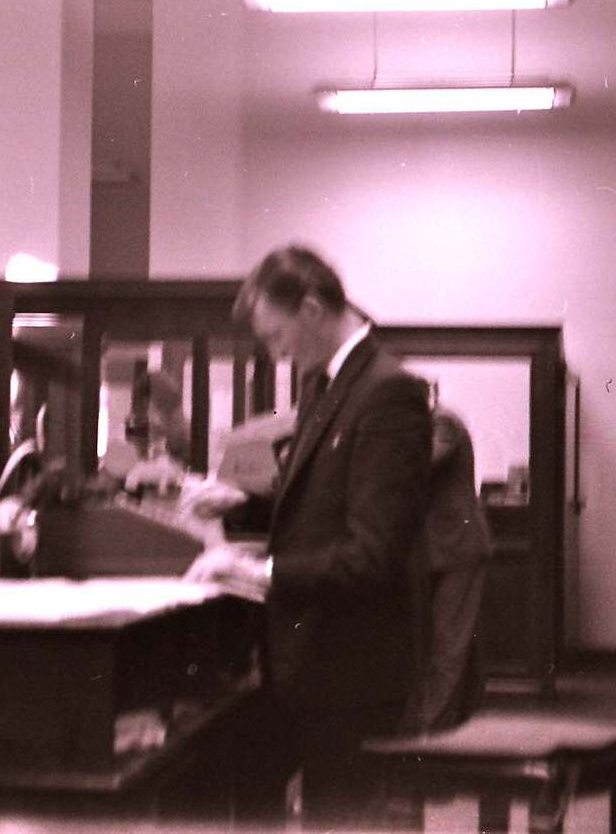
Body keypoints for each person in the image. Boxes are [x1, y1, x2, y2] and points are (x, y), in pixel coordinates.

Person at [184, 244, 432, 829]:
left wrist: (258, 572)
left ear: (314, 310)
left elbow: (373, 555)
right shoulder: (328, 383)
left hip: (351, 671)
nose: (276, 353)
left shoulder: (388, 392)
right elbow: (324, 500)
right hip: (312, 660)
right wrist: (245, 500)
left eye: (277, 337)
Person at [403, 401, 494, 734]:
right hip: (447, 548)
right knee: (457, 641)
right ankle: (459, 723)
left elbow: (423, 462)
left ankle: (428, 732)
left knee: (448, 642)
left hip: (458, 548)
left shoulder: (444, 423)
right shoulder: (432, 422)